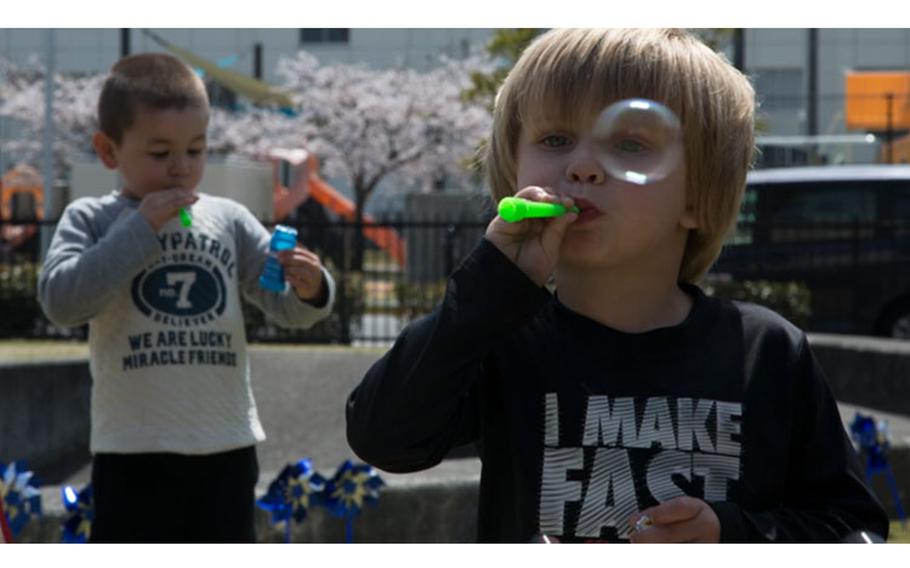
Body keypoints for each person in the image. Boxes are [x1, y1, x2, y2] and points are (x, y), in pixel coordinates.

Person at [345, 29, 889, 543]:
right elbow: (383, 437)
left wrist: (732, 534)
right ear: (513, 173)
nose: (582, 165)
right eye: (556, 138)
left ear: (698, 198)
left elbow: (850, 526)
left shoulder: (766, 352)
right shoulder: (501, 341)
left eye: (629, 144)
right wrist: (489, 289)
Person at [38, 53, 335, 543]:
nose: (180, 167)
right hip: (132, 450)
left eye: (195, 150)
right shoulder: (91, 218)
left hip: (227, 445)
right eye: (160, 153)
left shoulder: (230, 218)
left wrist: (311, 285)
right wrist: (140, 228)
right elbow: (62, 300)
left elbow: (284, 305)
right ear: (109, 151)